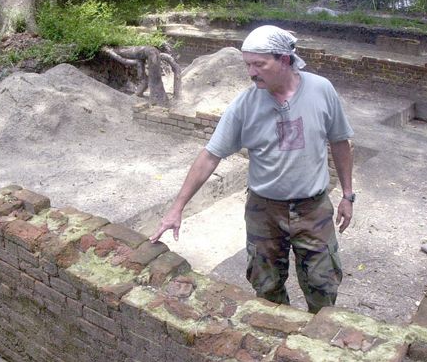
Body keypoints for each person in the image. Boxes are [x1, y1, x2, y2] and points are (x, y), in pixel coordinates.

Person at [149, 25, 355, 314]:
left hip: (314, 209)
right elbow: (210, 156)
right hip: (264, 212)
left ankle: (317, 343)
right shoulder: (244, 105)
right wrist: (177, 207)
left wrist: (347, 194)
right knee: (267, 288)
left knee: (323, 286)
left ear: (284, 59)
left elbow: (340, 142)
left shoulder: (322, 90)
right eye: (248, 65)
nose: (251, 72)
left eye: (259, 64)